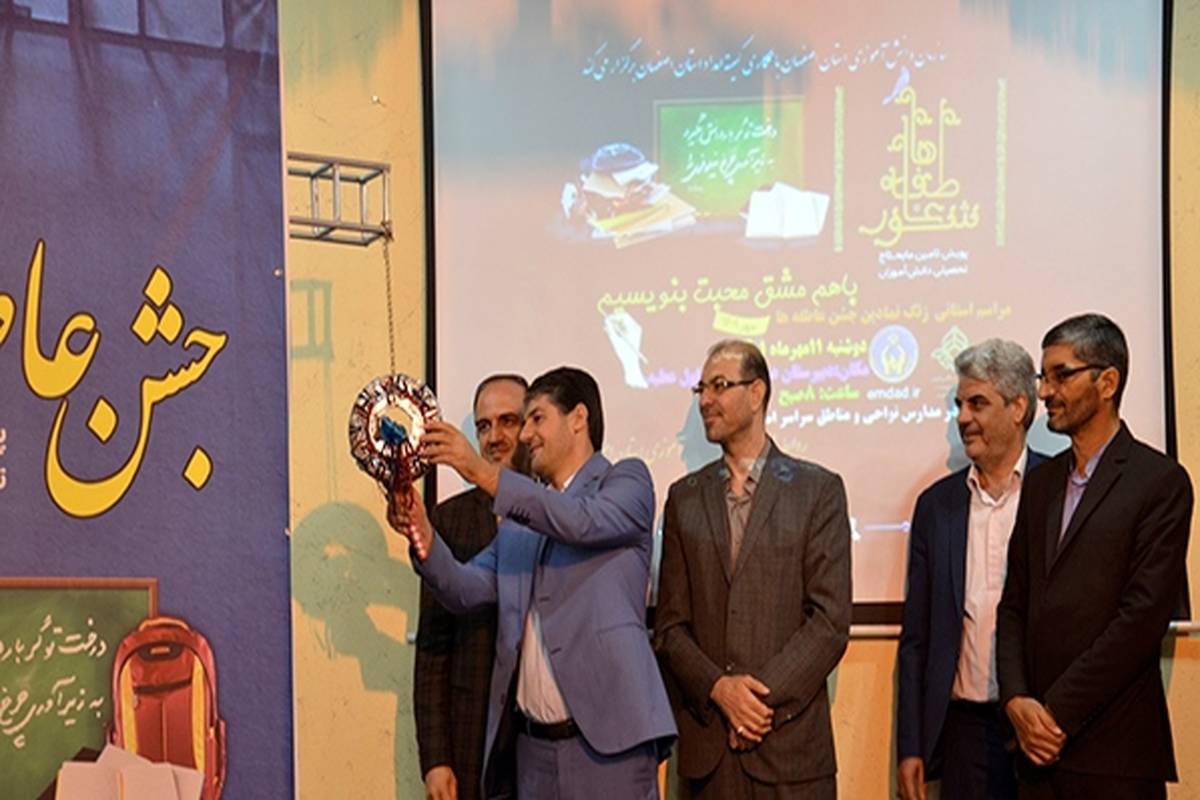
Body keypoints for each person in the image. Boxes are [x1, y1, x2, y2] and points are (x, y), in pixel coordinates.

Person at [390, 366, 675, 799]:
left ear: (578, 418)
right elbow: (462, 588)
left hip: (610, 749)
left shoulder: (625, 481)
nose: (525, 436)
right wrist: (421, 531)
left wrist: (480, 471)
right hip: (532, 755)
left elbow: (580, 521)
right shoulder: (519, 525)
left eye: (536, 418)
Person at [996, 313, 1193, 799]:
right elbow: (1013, 604)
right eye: (1043, 376)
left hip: (1114, 753)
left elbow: (1140, 621)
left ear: (1108, 382)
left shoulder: (1160, 482)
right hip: (1034, 757)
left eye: (1061, 375)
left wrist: (1055, 714)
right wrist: (1017, 700)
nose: (1045, 392)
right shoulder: (1040, 483)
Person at [655, 339, 851, 799]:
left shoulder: (817, 490)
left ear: (757, 392)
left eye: (719, 386)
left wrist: (755, 704)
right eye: (701, 389)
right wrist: (720, 691)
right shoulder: (684, 498)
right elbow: (670, 628)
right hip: (710, 750)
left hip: (790, 750)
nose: (706, 400)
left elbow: (829, 622)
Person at [896, 339, 1045, 800]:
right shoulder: (936, 507)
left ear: (1018, 407)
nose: (962, 417)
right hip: (964, 733)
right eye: (959, 405)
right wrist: (911, 745)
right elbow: (916, 638)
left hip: (1042, 726)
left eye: (977, 403)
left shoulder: (1056, 491)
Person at [414, 374, 527, 800]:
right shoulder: (447, 520)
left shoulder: (560, 513)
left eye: (508, 421)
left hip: (548, 742)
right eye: (483, 426)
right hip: (470, 739)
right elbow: (432, 647)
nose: (495, 437)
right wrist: (435, 759)